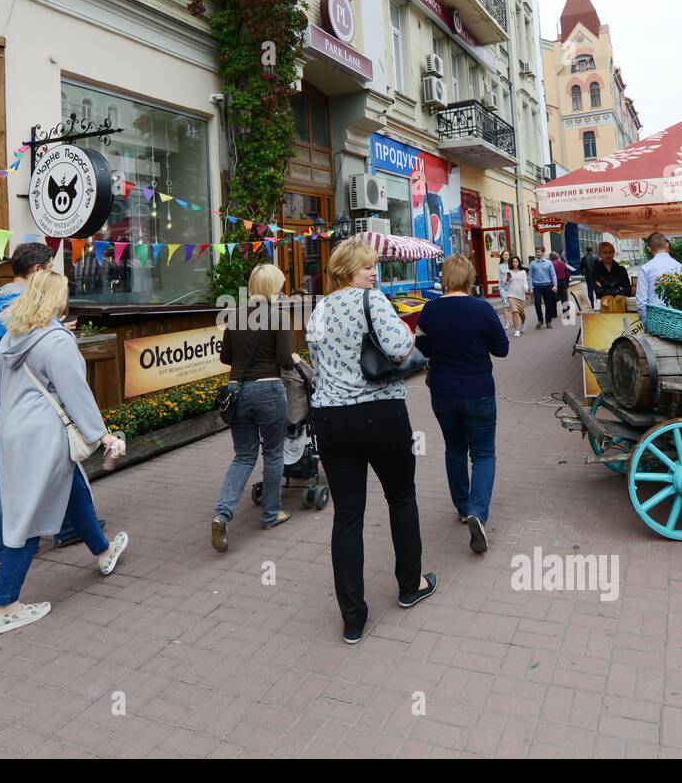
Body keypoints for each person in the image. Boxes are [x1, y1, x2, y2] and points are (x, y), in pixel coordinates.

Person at [305, 237, 436, 645]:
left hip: (329, 418)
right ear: (347, 270)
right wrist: (406, 333)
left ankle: (353, 616)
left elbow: (317, 359)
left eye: (374, 266)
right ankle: (410, 583)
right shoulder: (372, 300)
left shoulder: (319, 309)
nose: (373, 273)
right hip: (379, 413)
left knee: (347, 516)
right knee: (401, 497)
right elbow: (399, 348)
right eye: (367, 267)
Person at [0, 271, 128, 635]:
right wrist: (102, 436)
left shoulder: (12, 336)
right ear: (56, 299)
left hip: (11, 430)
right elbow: (75, 392)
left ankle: (103, 552)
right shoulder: (57, 340)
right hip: (43, 432)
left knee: (70, 486)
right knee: (31, 514)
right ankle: (5, 605)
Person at [0, 242, 86, 569]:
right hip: (29, 395)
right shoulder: (30, 303)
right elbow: (32, 345)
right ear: (36, 270)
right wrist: (60, 328)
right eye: (48, 269)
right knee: (47, 459)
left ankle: (59, 530)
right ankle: (15, 549)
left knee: (11, 462)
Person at [415, 255, 508, 556]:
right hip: (478, 390)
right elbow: (502, 349)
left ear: (445, 278)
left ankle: (462, 507)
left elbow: (422, 349)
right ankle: (477, 513)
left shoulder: (429, 310)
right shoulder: (482, 309)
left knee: (454, 448)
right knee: (483, 453)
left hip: (442, 392)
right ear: (470, 278)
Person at [211, 262, 294, 551]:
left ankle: (222, 514)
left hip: (237, 391)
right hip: (269, 389)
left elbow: (225, 358)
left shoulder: (234, 315)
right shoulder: (279, 316)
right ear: (273, 288)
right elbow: (284, 359)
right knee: (272, 453)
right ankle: (271, 513)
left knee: (243, 456)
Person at [636, 232, 682, 322]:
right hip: (679, 321)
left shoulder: (645, 269)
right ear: (667, 245)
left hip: (655, 321)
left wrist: (646, 323)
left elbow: (641, 302)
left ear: (649, 249)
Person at [528, 250, 558, 329]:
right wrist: (530, 287)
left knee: (548, 304)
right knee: (537, 303)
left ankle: (548, 321)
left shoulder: (548, 263)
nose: (537, 253)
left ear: (543, 253)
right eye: (536, 252)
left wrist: (555, 285)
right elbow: (530, 276)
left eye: (539, 252)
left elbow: (553, 274)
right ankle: (540, 320)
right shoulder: (533, 263)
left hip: (547, 286)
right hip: (537, 286)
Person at [501, 255, 530, 337]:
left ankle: (523, 322)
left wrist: (526, 288)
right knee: (514, 312)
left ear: (519, 263)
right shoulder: (508, 271)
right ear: (511, 263)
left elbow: (525, 282)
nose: (515, 263)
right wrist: (507, 280)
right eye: (513, 261)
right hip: (511, 294)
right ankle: (517, 330)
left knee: (522, 314)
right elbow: (505, 284)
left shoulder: (523, 272)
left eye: (516, 261)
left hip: (520, 295)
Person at [549, 251, 571, 320]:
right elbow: (567, 274)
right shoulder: (562, 263)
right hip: (562, 282)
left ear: (550, 257)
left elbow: (549, 275)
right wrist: (567, 283)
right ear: (557, 257)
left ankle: (553, 314)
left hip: (553, 284)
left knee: (553, 299)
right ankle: (566, 314)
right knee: (564, 299)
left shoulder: (550, 264)